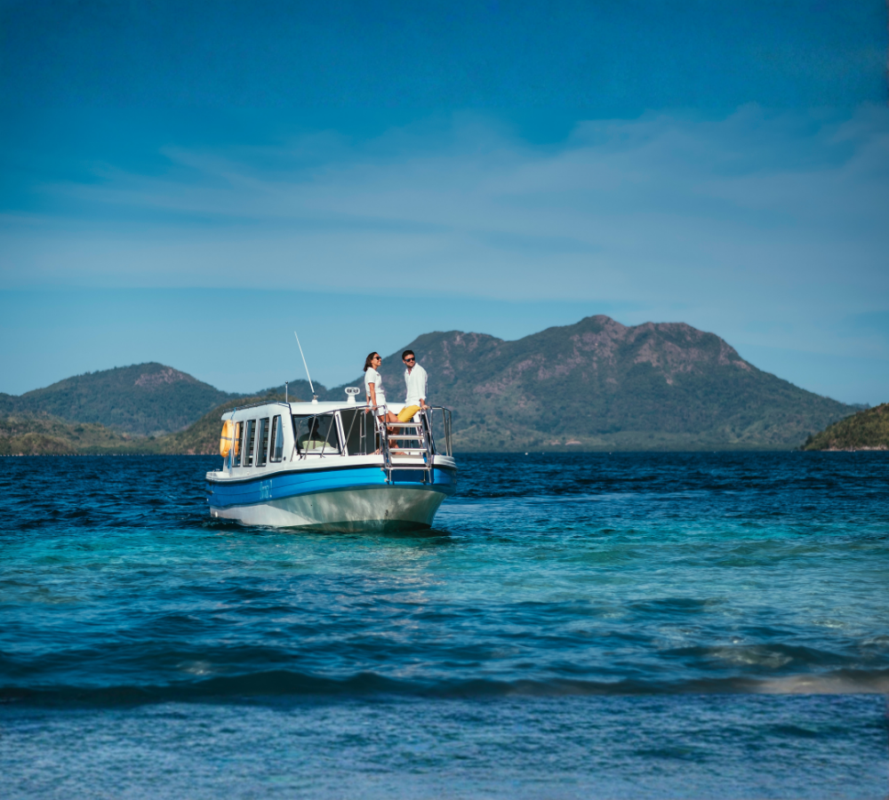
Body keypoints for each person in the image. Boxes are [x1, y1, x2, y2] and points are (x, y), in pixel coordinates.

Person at [363, 352, 399, 426]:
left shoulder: (373, 372)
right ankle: (386, 437)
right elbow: (371, 389)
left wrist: (368, 404)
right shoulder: (371, 373)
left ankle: (388, 437)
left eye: (380, 357)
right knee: (388, 427)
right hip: (378, 401)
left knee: (395, 421)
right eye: (377, 358)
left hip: (380, 401)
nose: (380, 359)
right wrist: (374, 404)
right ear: (371, 361)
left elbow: (368, 391)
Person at [398, 349, 428, 422]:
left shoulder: (419, 371)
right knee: (393, 422)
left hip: (415, 404)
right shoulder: (406, 372)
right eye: (408, 360)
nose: (411, 361)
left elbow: (421, 388)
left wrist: (423, 404)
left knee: (397, 423)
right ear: (404, 361)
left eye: (413, 359)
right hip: (408, 403)